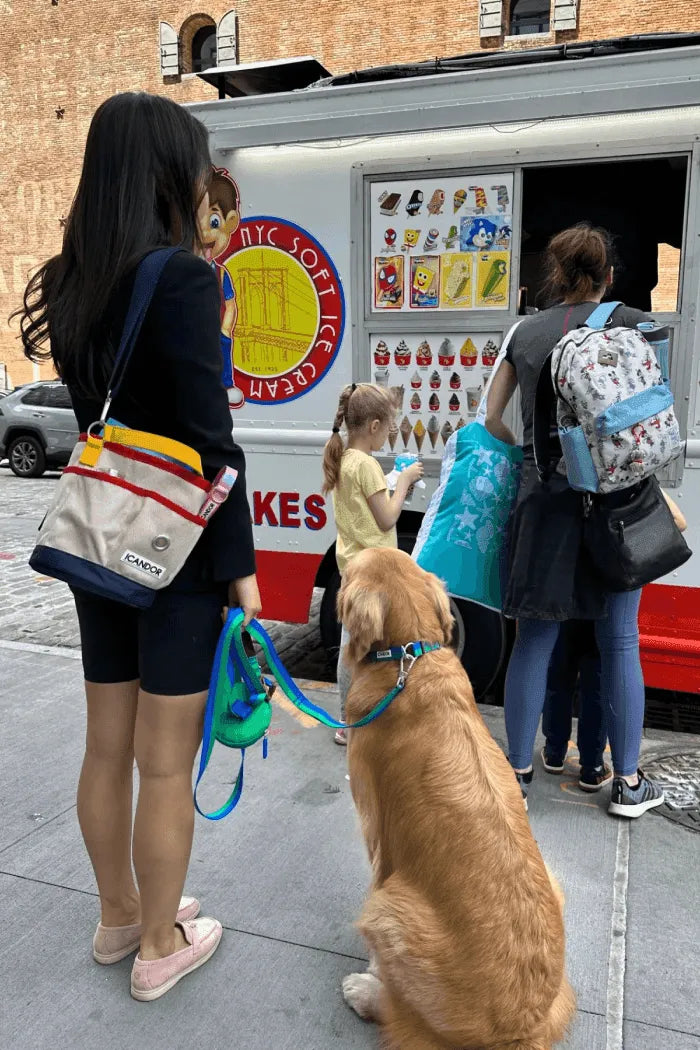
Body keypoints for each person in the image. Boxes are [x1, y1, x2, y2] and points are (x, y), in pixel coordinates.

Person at [15, 93, 261, 999]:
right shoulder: (185, 281)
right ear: (167, 171)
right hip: (180, 559)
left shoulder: (71, 277)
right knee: (165, 762)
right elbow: (213, 441)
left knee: (104, 750)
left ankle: (121, 915)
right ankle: (163, 944)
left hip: (98, 544)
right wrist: (243, 576)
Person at [484, 222, 665, 818]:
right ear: (611, 275)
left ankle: (517, 776)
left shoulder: (524, 332)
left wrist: (530, 460)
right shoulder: (637, 324)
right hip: (620, 501)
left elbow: (491, 418)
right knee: (619, 640)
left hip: (548, 502)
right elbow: (649, 413)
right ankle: (627, 783)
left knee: (534, 639)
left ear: (553, 276)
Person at [322, 383, 423, 744]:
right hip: (374, 572)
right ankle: (352, 721)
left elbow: (365, 510)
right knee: (361, 647)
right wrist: (405, 481)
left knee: (358, 643)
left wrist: (393, 483)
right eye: (391, 425)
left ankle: (353, 715)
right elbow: (386, 519)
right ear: (375, 425)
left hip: (353, 567)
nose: (391, 433)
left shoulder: (345, 458)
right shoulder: (365, 466)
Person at [541, 621, 610, 791]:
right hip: (599, 607)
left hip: (567, 604)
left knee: (559, 674)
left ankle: (553, 753)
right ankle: (593, 767)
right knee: (596, 686)